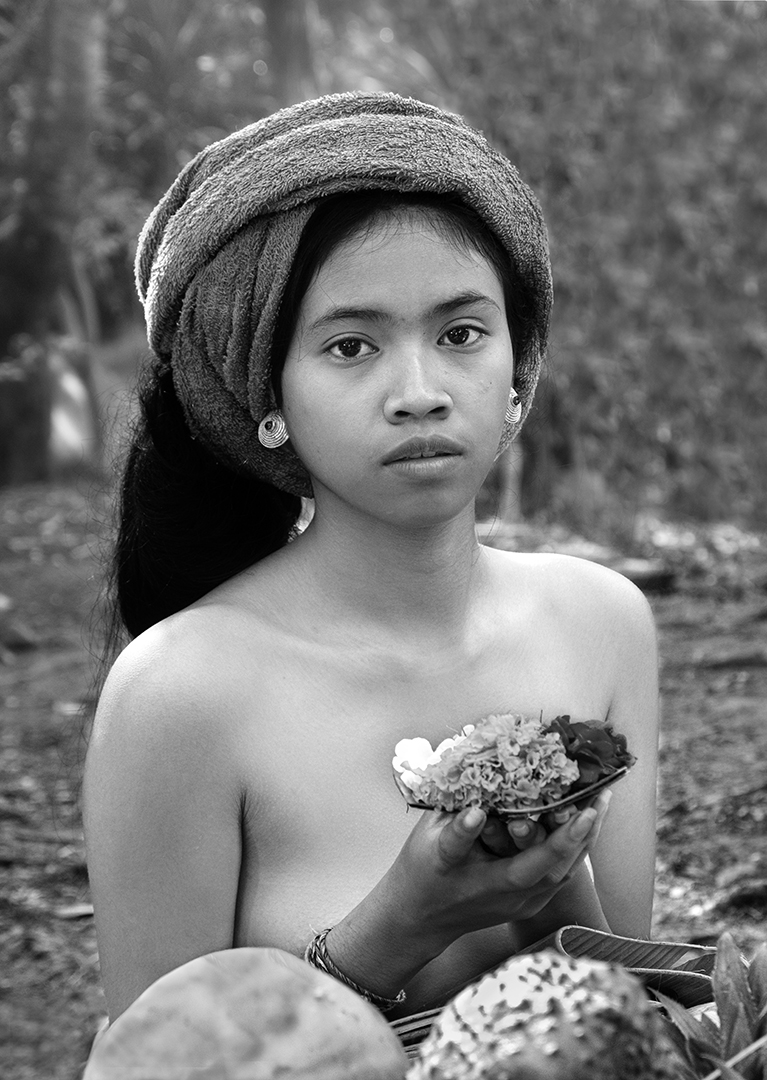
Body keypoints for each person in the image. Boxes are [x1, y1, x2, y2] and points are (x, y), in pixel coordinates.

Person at [82, 92, 659, 1030]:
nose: (420, 393)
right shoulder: (178, 692)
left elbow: (634, 1020)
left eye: (460, 334)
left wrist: (548, 881)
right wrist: (398, 927)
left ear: (518, 370)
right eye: (351, 346)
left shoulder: (601, 622)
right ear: (266, 399)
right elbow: (159, 1060)